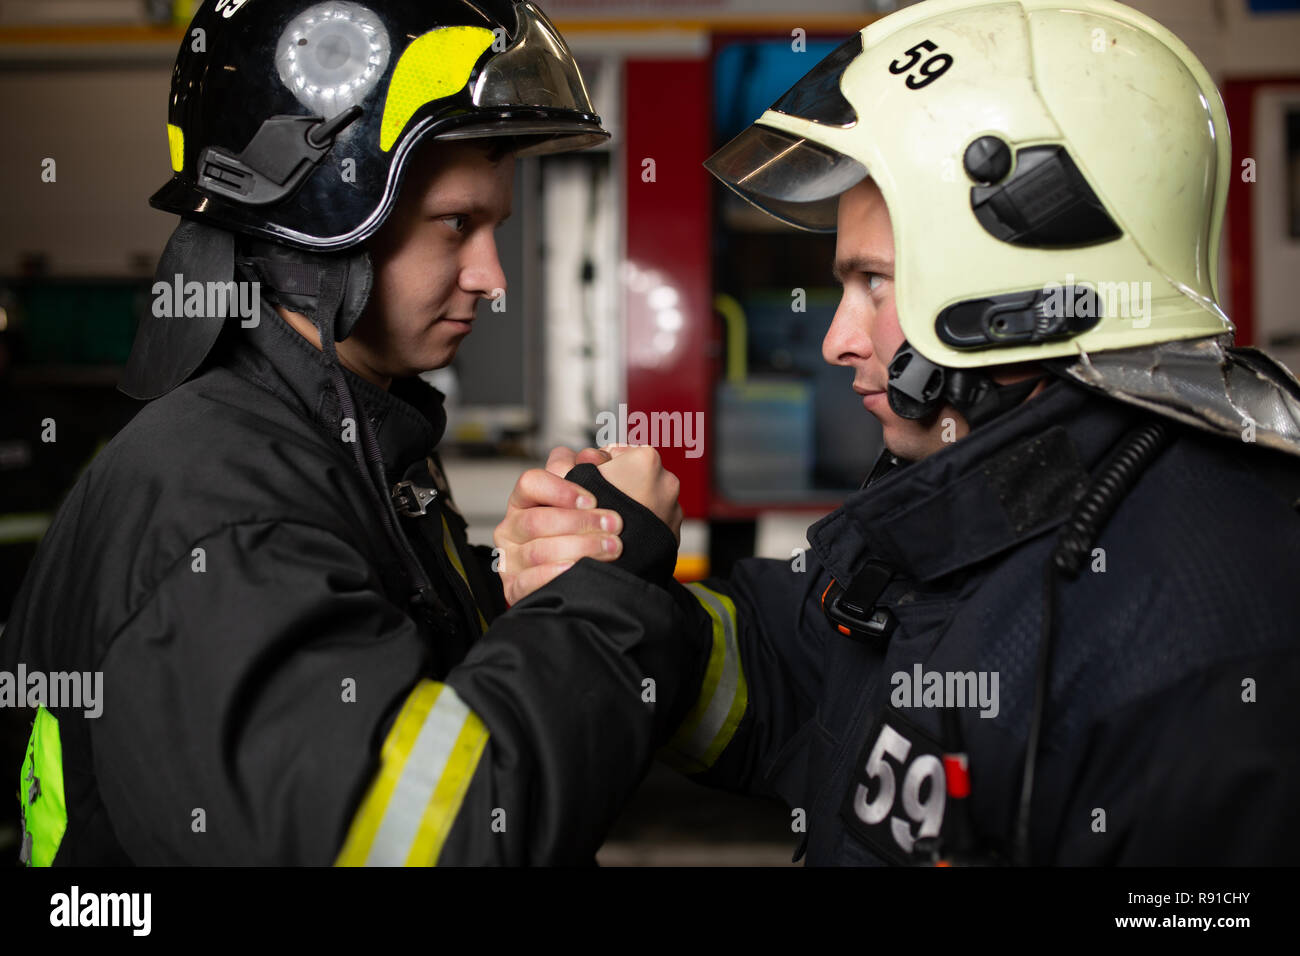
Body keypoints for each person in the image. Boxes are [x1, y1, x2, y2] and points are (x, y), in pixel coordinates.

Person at [502, 0, 1300, 864]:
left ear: (1017, 298)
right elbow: (793, 679)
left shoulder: (1200, 643)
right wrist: (621, 593)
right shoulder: (964, 511)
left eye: (874, 284)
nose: (836, 339)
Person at [2, 0, 704, 866]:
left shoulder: (331, 436)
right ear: (321, 223)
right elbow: (417, 844)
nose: (489, 277)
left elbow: (407, 700)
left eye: (497, 230)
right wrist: (601, 594)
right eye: (457, 225)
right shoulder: (222, 506)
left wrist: (523, 588)